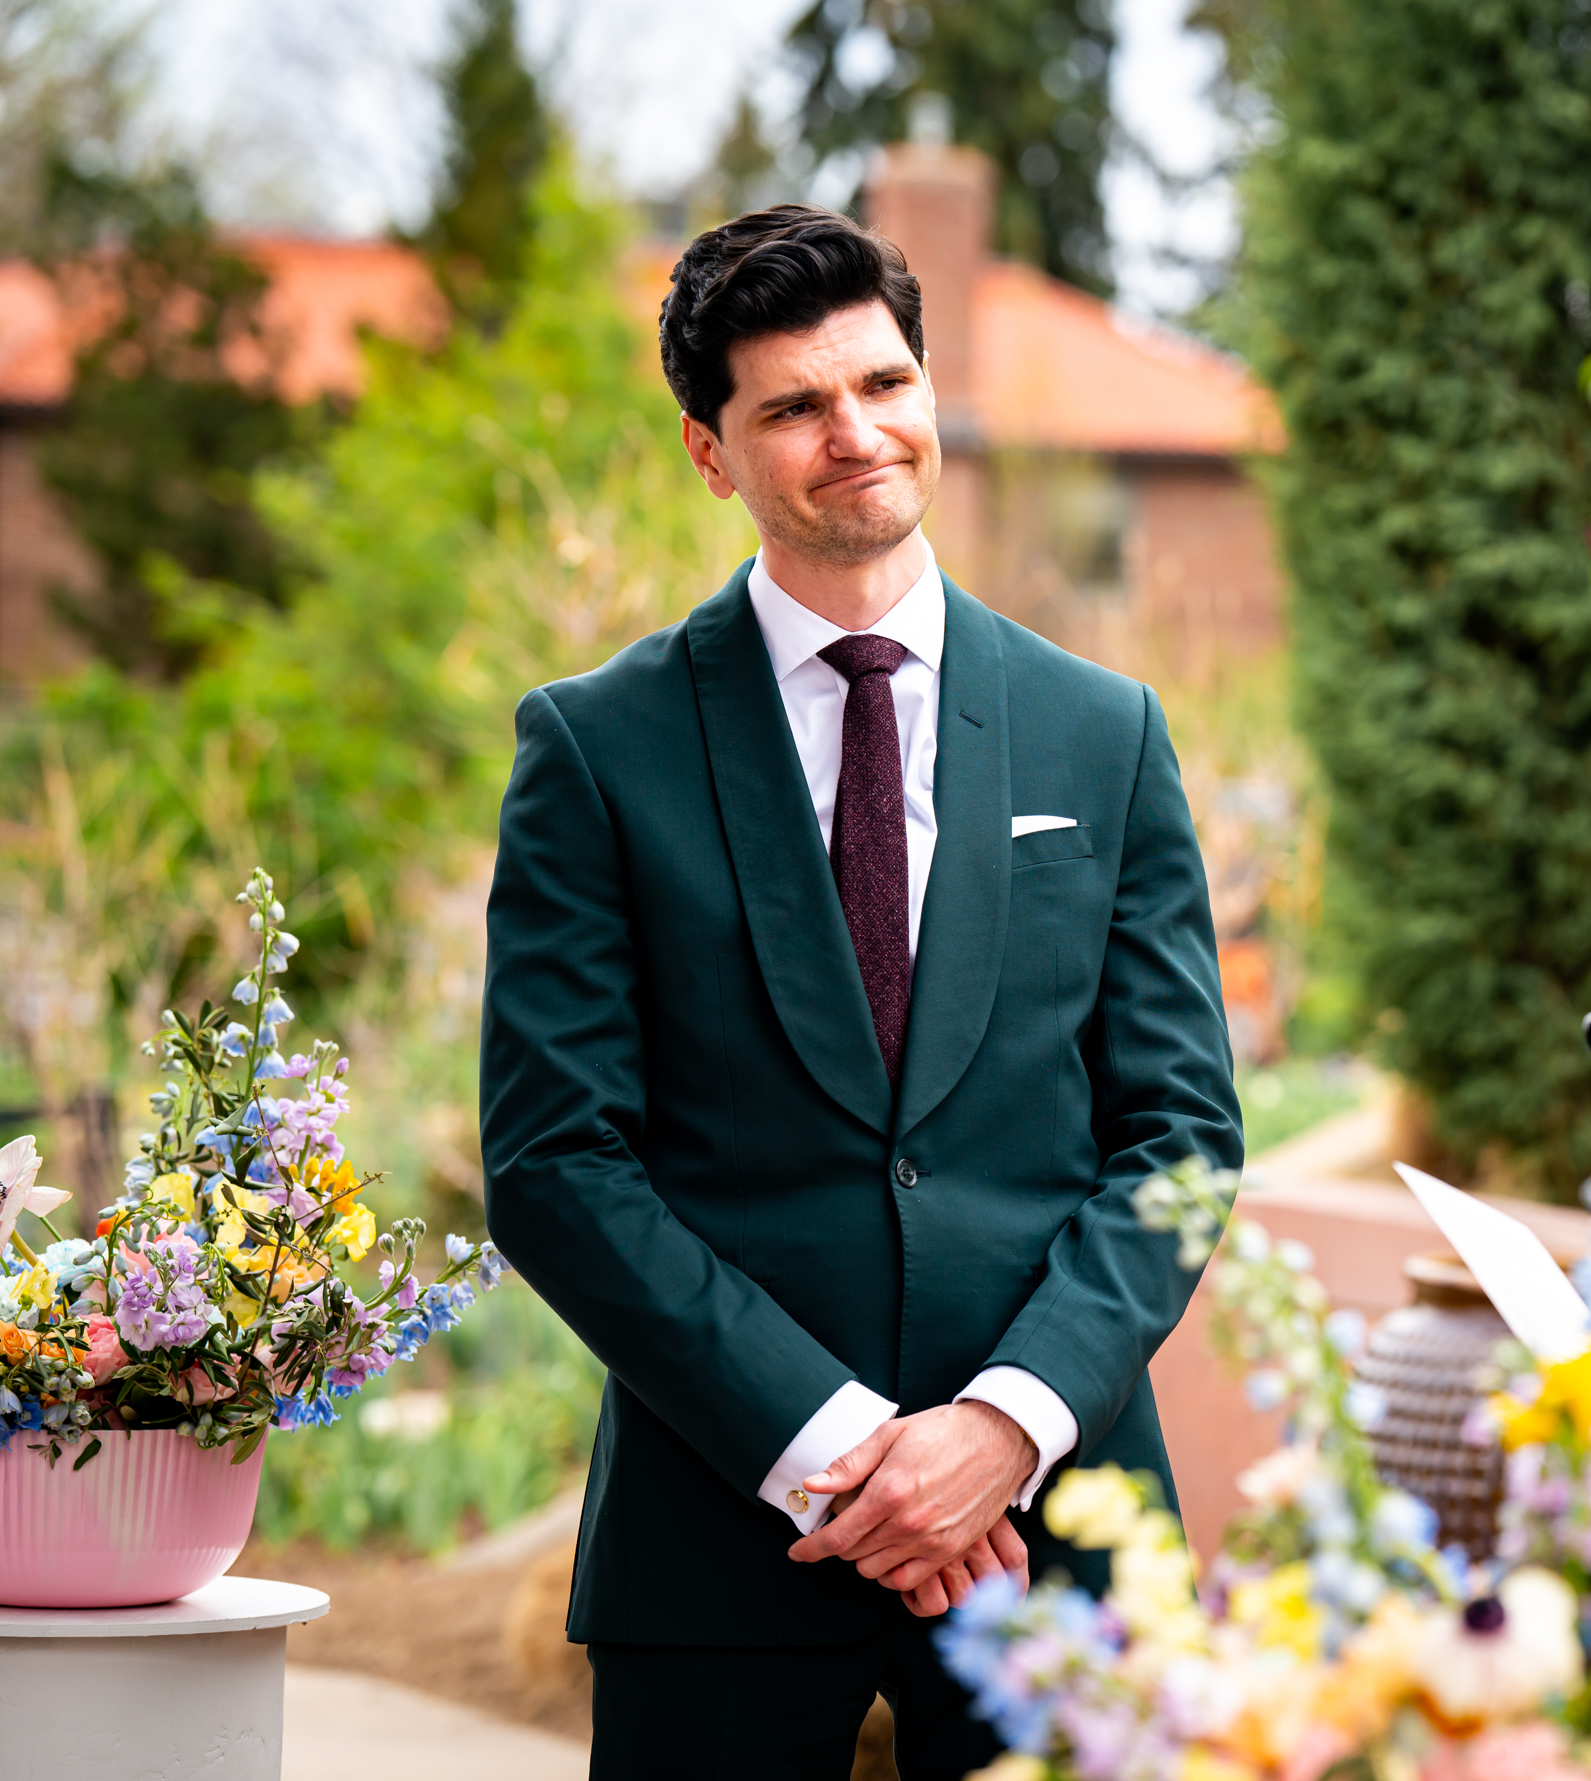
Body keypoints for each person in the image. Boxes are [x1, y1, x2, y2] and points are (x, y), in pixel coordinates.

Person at [478, 204, 1242, 1779]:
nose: (856, 434)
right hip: (722, 1541)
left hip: (1061, 1530)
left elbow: (1179, 1131)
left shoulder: (1107, 729)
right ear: (712, 451)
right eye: (795, 407)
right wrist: (840, 1453)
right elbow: (555, 1164)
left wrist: (1004, 1427)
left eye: (884, 384)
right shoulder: (594, 748)